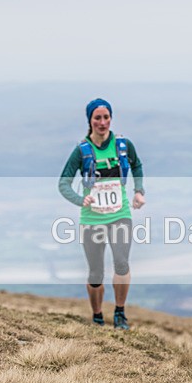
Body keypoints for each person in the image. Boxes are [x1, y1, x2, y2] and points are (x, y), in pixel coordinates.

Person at [58, 98, 145, 330]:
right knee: (96, 272)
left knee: (122, 263)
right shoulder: (82, 151)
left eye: (106, 117)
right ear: (90, 120)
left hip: (120, 214)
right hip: (92, 218)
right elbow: (63, 184)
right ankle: (97, 316)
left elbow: (137, 166)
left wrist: (139, 191)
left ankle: (119, 314)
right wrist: (80, 199)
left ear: (111, 118)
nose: (102, 122)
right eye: (97, 118)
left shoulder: (123, 145)